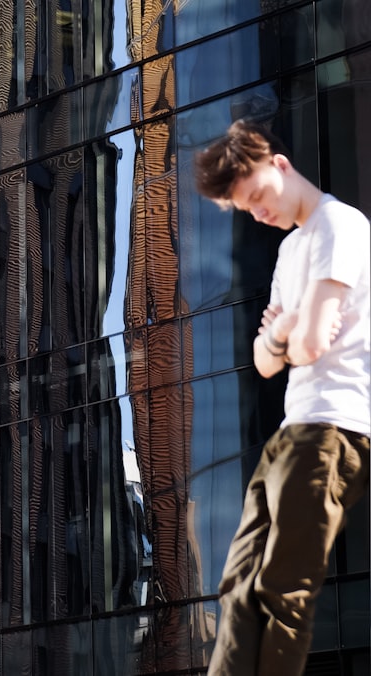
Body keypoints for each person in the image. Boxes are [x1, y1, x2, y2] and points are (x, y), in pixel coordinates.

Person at [194, 119, 371, 676]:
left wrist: (286, 332)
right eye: (245, 209)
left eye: (257, 197)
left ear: (280, 165)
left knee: (282, 591)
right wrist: (281, 332)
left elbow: (312, 344)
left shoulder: (339, 226)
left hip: (332, 429)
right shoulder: (291, 251)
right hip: (292, 433)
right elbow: (266, 360)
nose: (257, 213)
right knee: (237, 591)